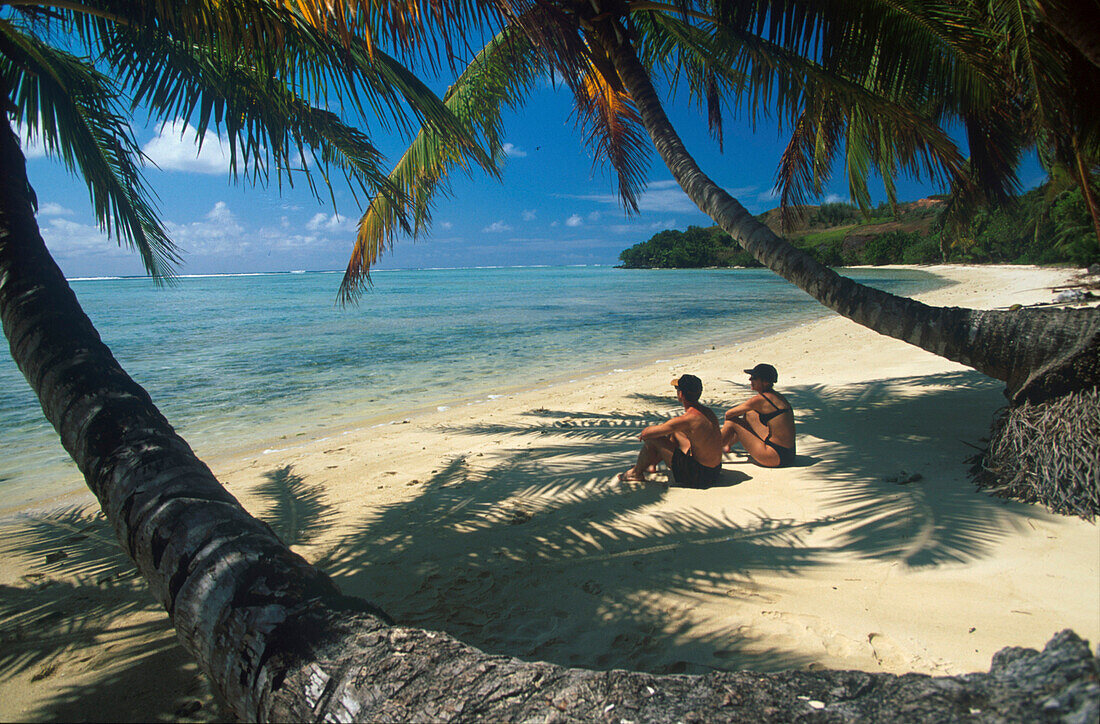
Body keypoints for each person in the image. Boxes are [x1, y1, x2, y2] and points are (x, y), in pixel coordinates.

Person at [619, 374, 724, 487]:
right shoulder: (708, 412)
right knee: (675, 432)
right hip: (714, 471)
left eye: (677, 389)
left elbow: (646, 433)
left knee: (653, 438)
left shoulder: (687, 419)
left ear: (681, 394)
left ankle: (636, 473)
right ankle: (651, 464)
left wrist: (646, 434)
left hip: (699, 476)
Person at [722, 363, 796, 467]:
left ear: (765, 382)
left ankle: (711, 450)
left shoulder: (760, 400)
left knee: (731, 422)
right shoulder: (777, 396)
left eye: (754, 378)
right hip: (789, 454)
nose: (750, 380)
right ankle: (727, 445)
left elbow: (728, 414)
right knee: (749, 413)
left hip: (774, 456)